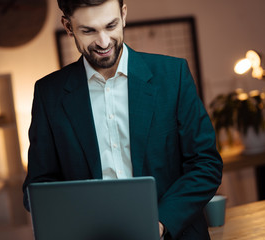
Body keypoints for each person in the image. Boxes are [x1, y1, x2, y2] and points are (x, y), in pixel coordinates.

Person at [22, 0, 223, 239]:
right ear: (68, 26)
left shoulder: (173, 75)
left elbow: (206, 164)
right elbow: (37, 187)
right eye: (88, 31)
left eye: (111, 26)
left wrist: (158, 222)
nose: (104, 42)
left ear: (124, 15)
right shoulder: (48, 94)